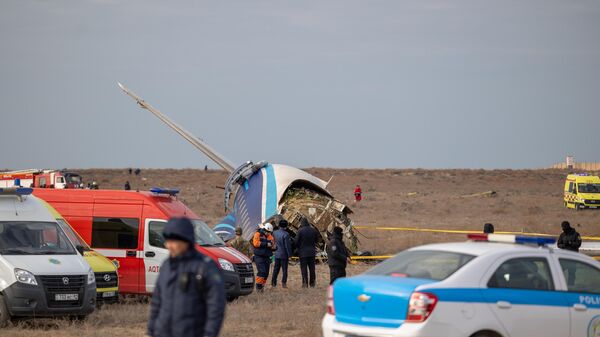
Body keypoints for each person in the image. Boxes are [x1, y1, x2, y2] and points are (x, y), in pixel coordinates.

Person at [146, 217, 225, 337]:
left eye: (173, 242)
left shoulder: (205, 266)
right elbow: (157, 302)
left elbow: (216, 306)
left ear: (186, 241)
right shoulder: (167, 265)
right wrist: (151, 330)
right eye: (167, 241)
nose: (168, 246)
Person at [294, 218, 320, 288]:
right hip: (312, 252)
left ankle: (305, 284)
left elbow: (296, 242)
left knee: (304, 269)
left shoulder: (300, 231)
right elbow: (317, 240)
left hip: (302, 253)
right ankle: (312, 283)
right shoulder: (313, 230)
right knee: (312, 269)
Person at [252, 223, 276, 292]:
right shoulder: (258, 234)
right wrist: (265, 244)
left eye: (269, 232)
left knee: (266, 273)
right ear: (265, 230)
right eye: (268, 232)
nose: (268, 233)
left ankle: (262, 286)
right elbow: (255, 243)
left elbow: (272, 244)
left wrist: (274, 247)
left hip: (267, 256)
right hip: (259, 256)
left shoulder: (270, 236)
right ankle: (258, 287)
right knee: (262, 271)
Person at [272, 219, 293, 288]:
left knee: (276, 269)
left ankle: (273, 283)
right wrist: (290, 255)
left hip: (277, 254)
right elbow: (287, 246)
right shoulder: (286, 234)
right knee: (284, 270)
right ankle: (284, 283)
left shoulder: (274, 233)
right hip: (284, 255)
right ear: (286, 226)